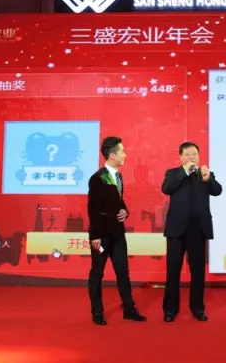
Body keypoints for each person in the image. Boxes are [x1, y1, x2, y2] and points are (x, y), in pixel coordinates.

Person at [87, 136, 146, 325]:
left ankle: (129, 308)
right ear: (112, 155)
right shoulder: (97, 178)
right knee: (97, 272)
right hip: (101, 236)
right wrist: (95, 236)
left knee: (122, 271)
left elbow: (119, 201)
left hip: (118, 234)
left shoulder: (118, 176)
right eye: (122, 151)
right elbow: (93, 209)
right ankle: (97, 311)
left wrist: (125, 211)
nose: (125, 155)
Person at [161, 142, 222, 322]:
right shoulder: (173, 173)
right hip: (176, 230)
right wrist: (185, 172)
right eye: (187, 154)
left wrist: (209, 179)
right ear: (180, 157)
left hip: (198, 230)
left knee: (198, 272)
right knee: (173, 271)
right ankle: (170, 310)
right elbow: (166, 188)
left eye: (194, 154)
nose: (191, 157)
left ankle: (197, 308)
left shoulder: (205, 174)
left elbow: (217, 191)